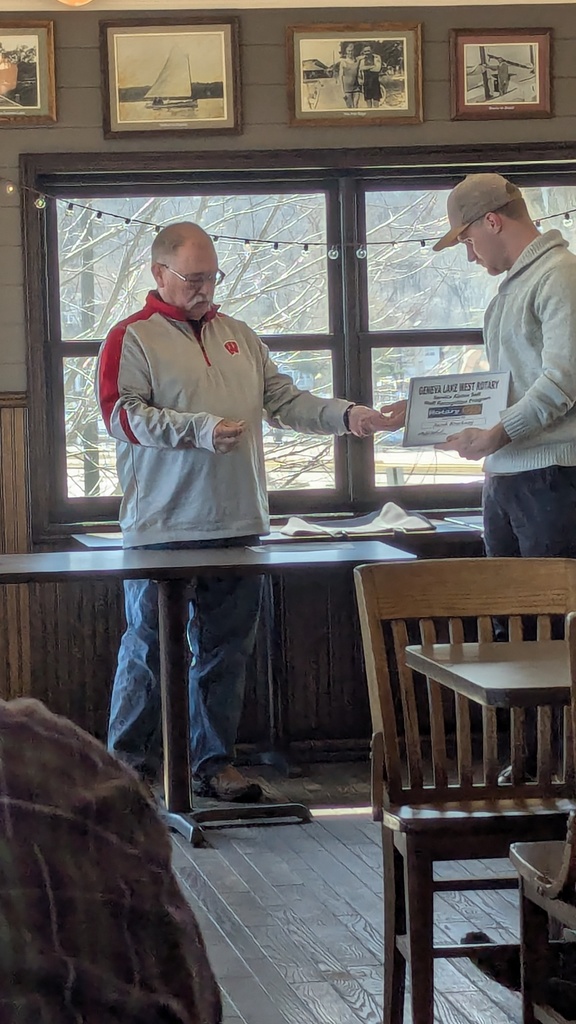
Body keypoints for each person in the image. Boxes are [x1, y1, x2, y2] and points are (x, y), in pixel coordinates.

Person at [96, 222, 406, 804]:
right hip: (161, 526)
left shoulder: (240, 335)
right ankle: (126, 771)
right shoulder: (130, 337)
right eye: (193, 278)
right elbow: (119, 415)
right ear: (159, 273)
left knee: (227, 653)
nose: (205, 288)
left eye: (212, 277)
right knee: (147, 650)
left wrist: (348, 416)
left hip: (239, 523)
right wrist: (200, 431)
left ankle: (212, 765)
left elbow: (285, 401)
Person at [433, 172, 576, 779]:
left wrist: (498, 433)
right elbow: (509, 388)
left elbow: (565, 379)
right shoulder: (518, 285)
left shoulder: (560, 277)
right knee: (513, 623)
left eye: (467, 239)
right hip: (511, 476)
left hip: (553, 477)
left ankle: (561, 766)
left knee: (553, 625)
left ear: (492, 221)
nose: (469, 253)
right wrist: (441, 416)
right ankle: (533, 760)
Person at [0, 697, 222, 1024]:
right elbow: (193, 988)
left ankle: (187, 761)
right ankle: (177, 762)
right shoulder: (84, 768)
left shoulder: (83, 770)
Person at [337, 42, 360, 109]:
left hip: (356, 87)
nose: (350, 52)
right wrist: (343, 92)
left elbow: (365, 56)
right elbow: (340, 77)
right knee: (350, 107)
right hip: (347, 89)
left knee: (355, 106)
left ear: (354, 51)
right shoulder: (343, 62)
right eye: (349, 51)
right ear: (346, 51)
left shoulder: (357, 60)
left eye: (352, 50)